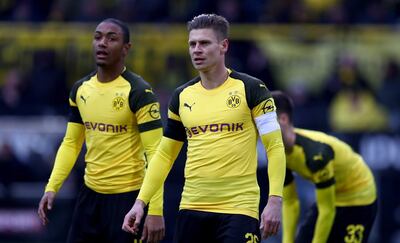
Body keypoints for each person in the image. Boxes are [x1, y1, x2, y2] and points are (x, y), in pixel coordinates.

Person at [122, 13, 286, 242]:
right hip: (191, 207)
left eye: (204, 43)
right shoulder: (181, 96)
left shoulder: (252, 88)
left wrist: (275, 200)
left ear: (223, 46)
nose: (196, 50)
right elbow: (165, 154)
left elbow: (275, 146)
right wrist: (141, 202)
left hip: (239, 208)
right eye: (192, 44)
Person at [37, 18, 165, 243]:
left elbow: (156, 153)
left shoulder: (139, 92)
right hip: (89, 197)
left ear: (126, 49)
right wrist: (52, 186)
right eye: (98, 37)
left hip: (128, 198)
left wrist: (155, 209)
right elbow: (71, 143)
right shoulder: (81, 89)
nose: (102, 43)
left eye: (111, 38)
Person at [271, 90, 377, 243]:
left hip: (359, 199)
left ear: (283, 119)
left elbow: (327, 210)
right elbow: (290, 202)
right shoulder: (277, 153)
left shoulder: (315, 154)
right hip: (331, 198)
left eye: (265, 122)